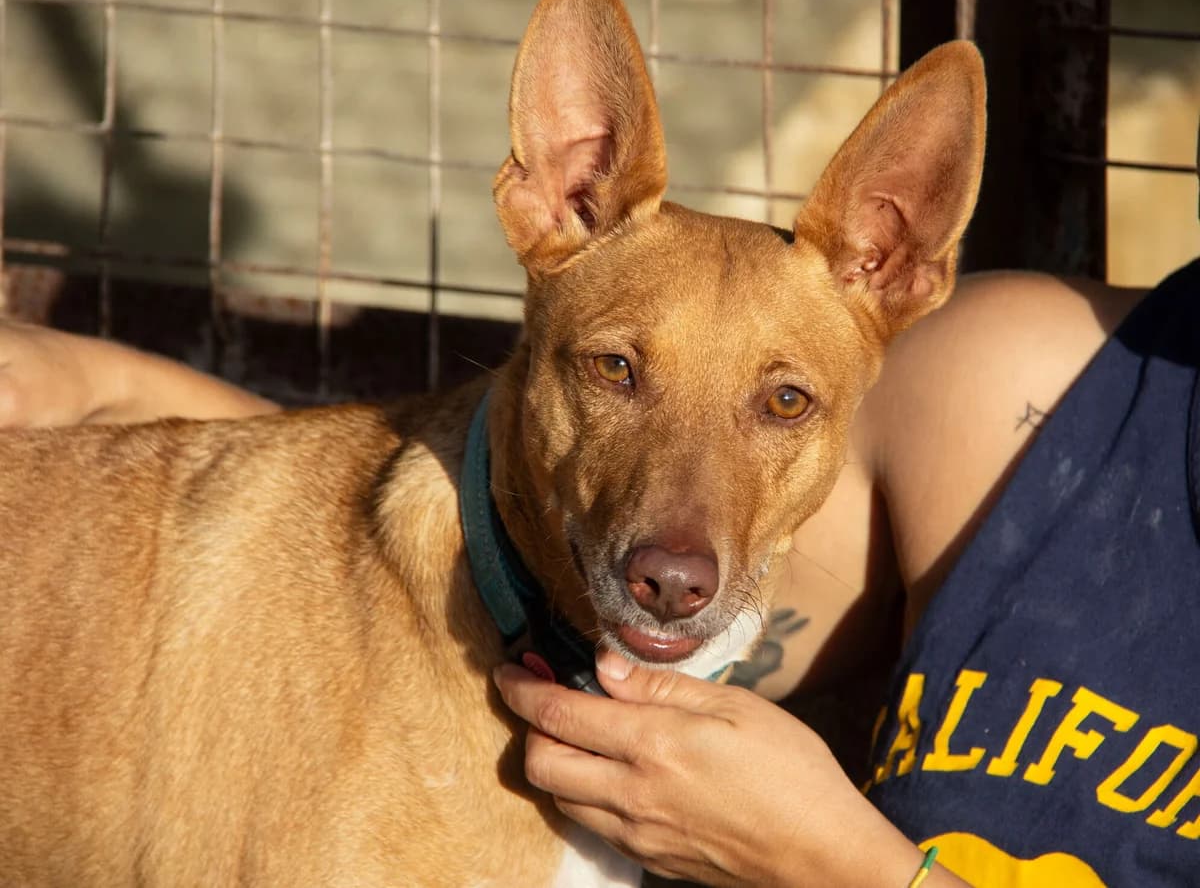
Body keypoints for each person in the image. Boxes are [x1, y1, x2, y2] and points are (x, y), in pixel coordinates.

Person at [2, 258, 1197, 886]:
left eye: (785, 404)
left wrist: (853, 874)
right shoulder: (1034, 393)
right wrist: (119, 403)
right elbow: (569, 543)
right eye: (617, 369)